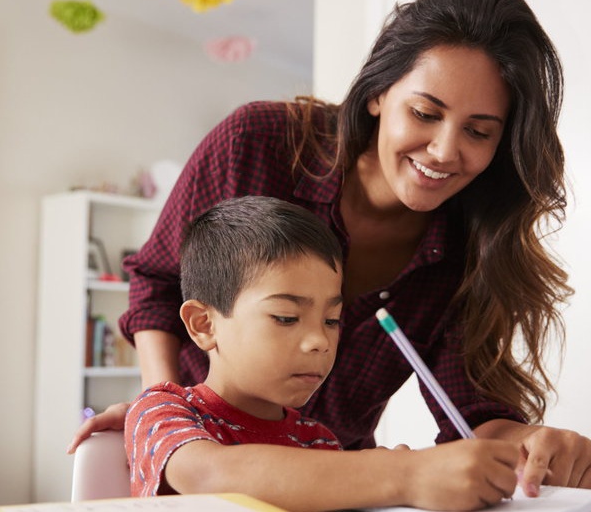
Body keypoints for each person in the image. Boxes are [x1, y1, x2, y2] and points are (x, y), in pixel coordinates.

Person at [70, 0, 591, 497]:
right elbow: (160, 284)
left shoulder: (470, 248)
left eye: (479, 131)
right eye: (425, 113)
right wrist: (160, 403)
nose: (444, 150)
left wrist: (529, 444)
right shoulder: (256, 143)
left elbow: (472, 417)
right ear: (377, 93)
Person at [126, 195, 521, 511]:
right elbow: (210, 476)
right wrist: (404, 474)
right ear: (204, 324)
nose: (320, 340)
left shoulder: (317, 442)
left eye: (332, 321)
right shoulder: (163, 410)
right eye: (285, 317)